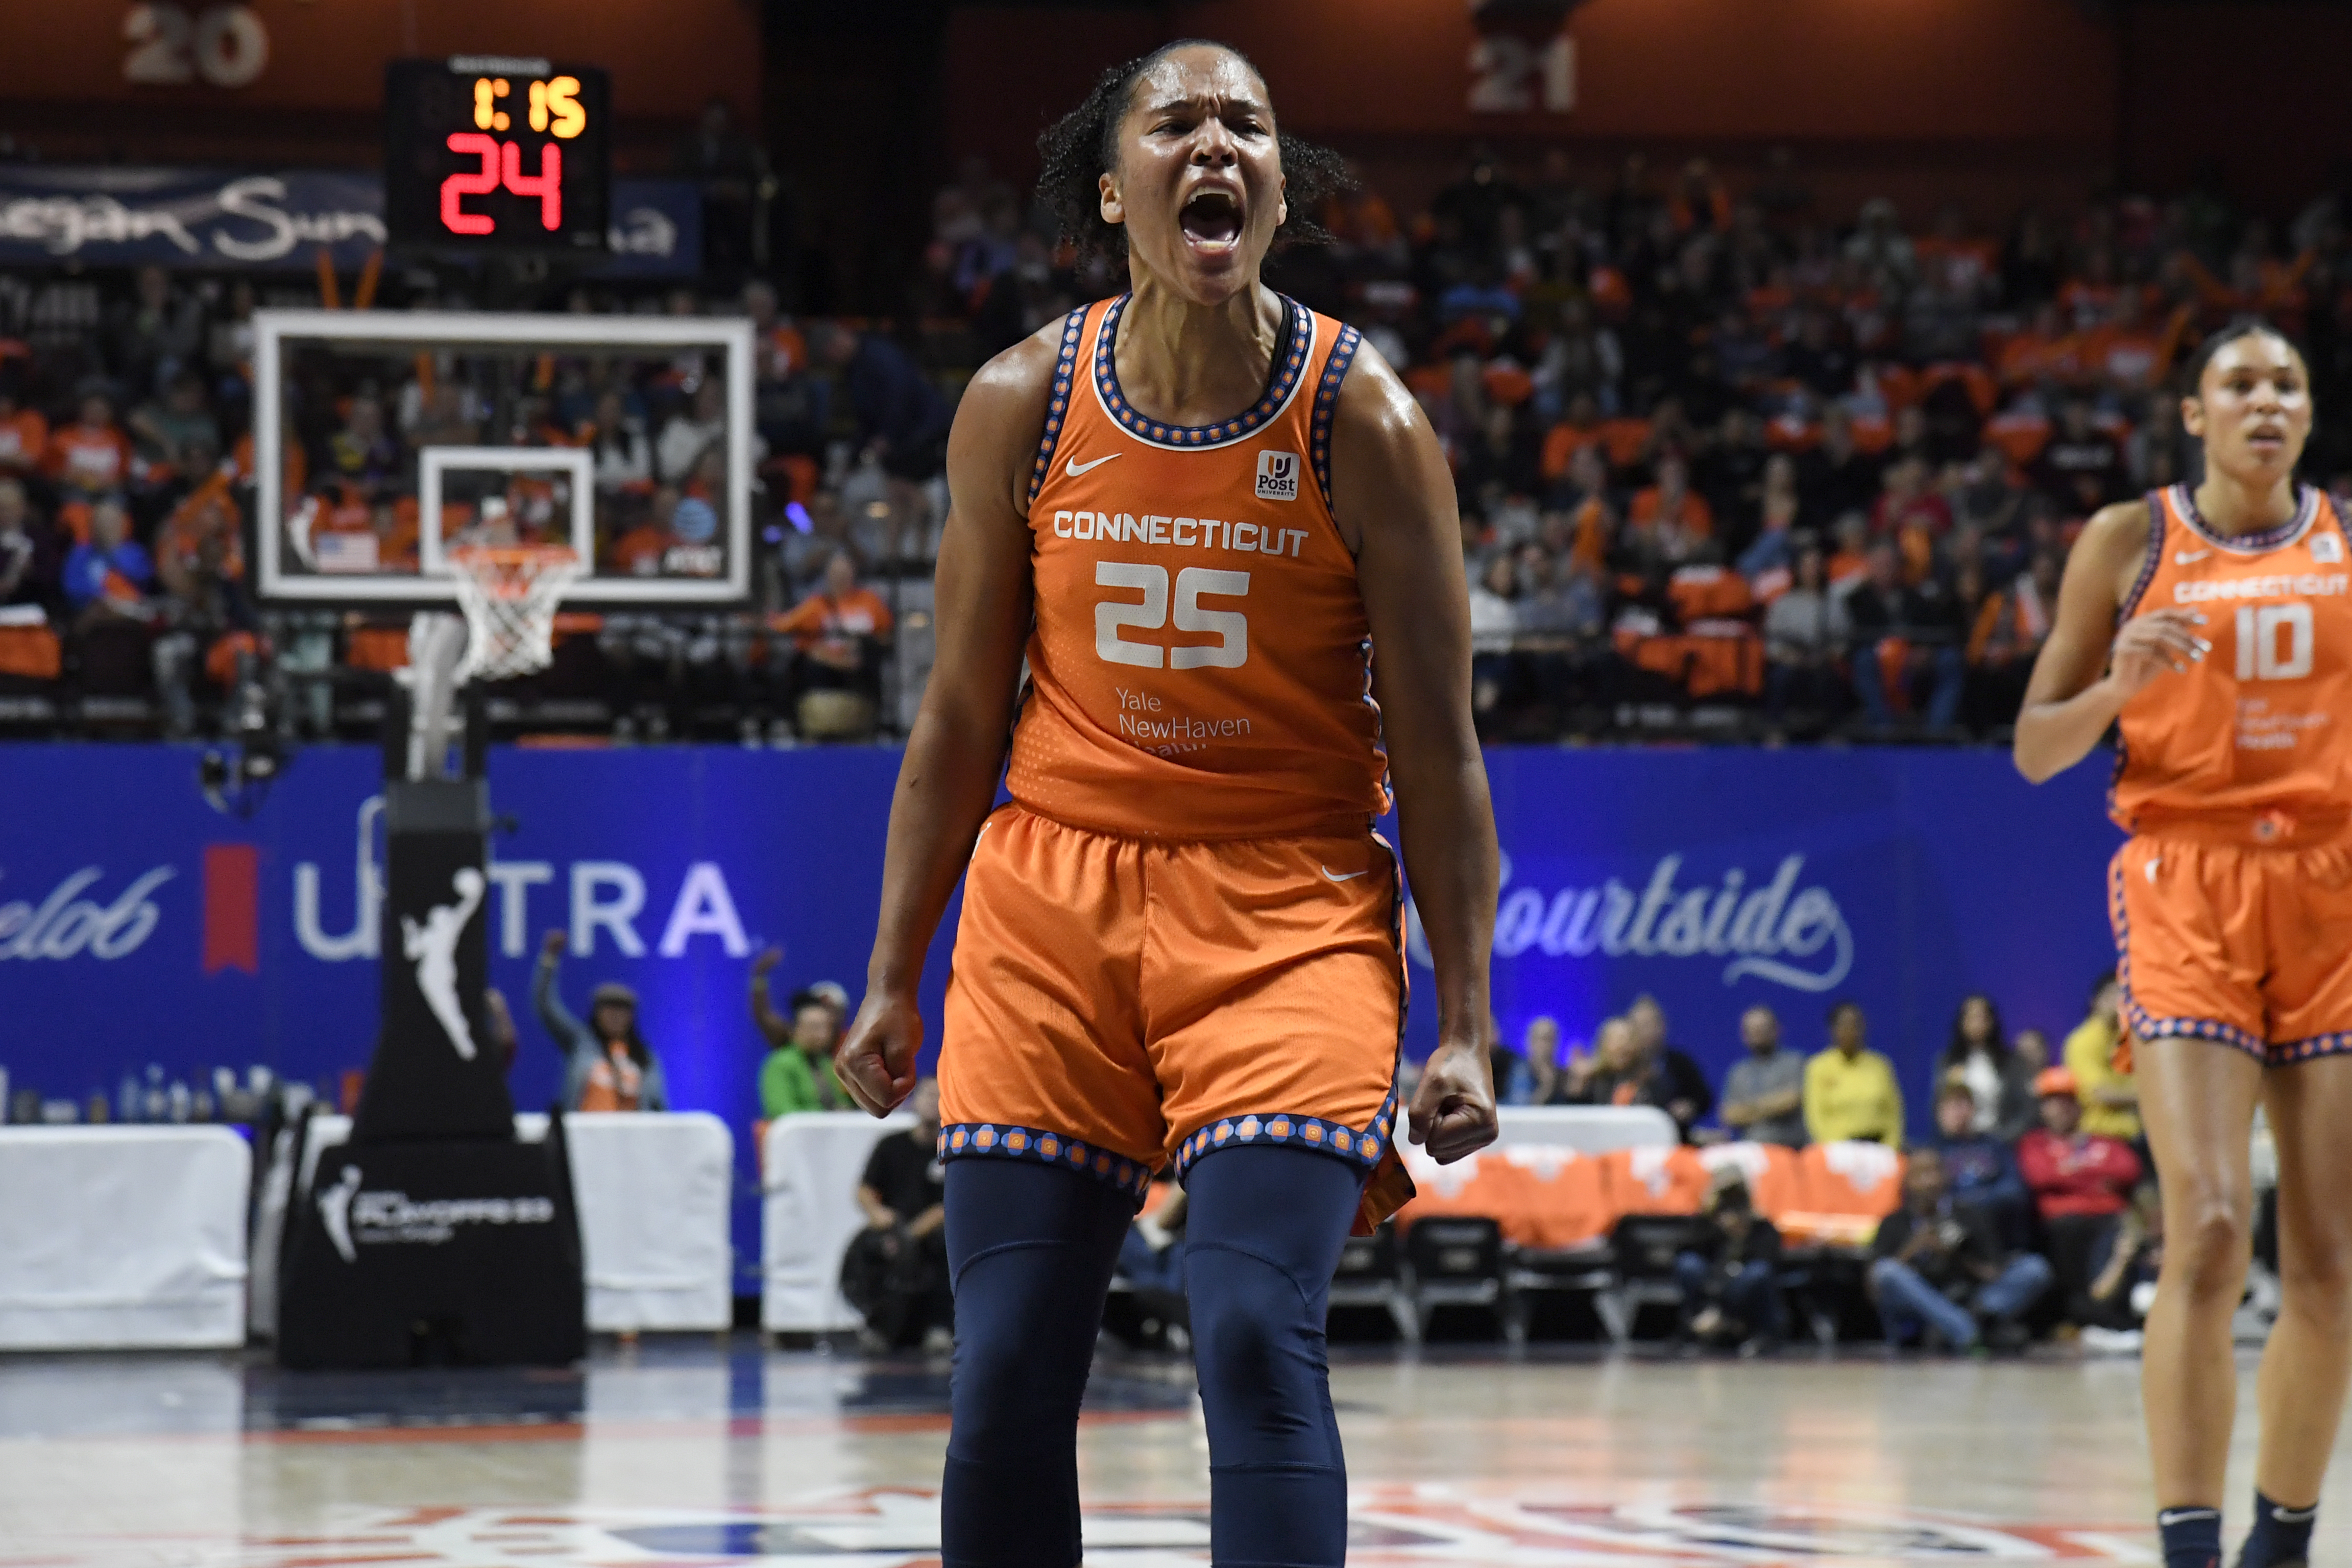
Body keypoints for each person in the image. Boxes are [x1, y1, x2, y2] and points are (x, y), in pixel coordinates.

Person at [832, 42, 1500, 1568]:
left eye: (1247, 126)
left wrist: (1462, 1019)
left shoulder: (1367, 419)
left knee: (1254, 1334)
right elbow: (953, 719)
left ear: (1276, 188)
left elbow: (1441, 748)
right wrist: (888, 969)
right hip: (1047, 906)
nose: (1215, 145)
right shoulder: (1019, 402)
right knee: (1003, 1375)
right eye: (1178, 123)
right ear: (1112, 189)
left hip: (1285, 908)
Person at [2013, 319, 2352, 1568]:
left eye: (2288, 384)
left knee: (2325, 1254)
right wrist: (2117, 681)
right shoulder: (2129, 538)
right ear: (2194, 416)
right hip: (2185, 879)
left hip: (2332, 883)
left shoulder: (2347, 536)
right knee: (2207, 1223)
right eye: (2239, 383)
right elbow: (2036, 747)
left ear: (2307, 415)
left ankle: (2286, 1536)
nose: (2267, 400)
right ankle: (2190, 1544)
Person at [1866, 1147, 2053, 1353]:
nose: (1930, 1181)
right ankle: (1968, 1332)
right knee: (1887, 1270)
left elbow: (1994, 1273)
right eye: (1922, 1175)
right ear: (1908, 1182)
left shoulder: (1968, 1214)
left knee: (2035, 1268)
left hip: (1969, 1298)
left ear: (1946, 1177)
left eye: (1936, 1172)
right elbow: (1875, 1285)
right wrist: (1915, 1248)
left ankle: (1958, 1328)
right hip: (1919, 1306)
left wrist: (1958, 1255)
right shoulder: (1893, 1222)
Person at [2016, 1066, 2144, 1330]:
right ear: (2042, 1107)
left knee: (2127, 1231)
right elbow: (2040, 1177)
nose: (2062, 1108)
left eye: (2068, 1100)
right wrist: (2097, 1180)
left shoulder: (2104, 1141)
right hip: (2063, 1226)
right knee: (2070, 1229)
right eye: (2053, 1101)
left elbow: (2129, 1170)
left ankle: (2107, 1312)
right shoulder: (2034, 1144)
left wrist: (2070, 1175)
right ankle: (2088, 1313)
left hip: (2110, 1220)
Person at [840, 1077, 953, 1353]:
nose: (932, 1102)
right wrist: (878, 1215)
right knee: (870, 1248)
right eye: (927, 1095)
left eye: (939, 1096)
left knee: (941, 1247)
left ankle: (939, 1326)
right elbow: (865, 1190)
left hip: (931, 1232)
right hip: (893, 1227)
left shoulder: (951, 1151)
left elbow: (948, 1204)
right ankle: (879, 1325)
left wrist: (912, 1234)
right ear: (914, 1101)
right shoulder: (891, 1146)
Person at [532, 930, 668, 1112]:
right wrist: (549, 960)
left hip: (632, 1137)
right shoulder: (581, 1044)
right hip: (585, 1136)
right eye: (609, 1010)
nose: (615, 1017)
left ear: (631, 1017)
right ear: (597, 1014)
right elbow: (546, 1006)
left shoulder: (645, 1058)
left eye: (622, 1012)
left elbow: (659, 1107)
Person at [1671, 1171, 1786, 1352]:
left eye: (1738, 1201)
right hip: (1711, 1284)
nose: (1733, 1210)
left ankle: (1722, 1321)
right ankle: (1702, 1327)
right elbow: (1683, 1248)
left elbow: (1770, 1260)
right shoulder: (1706, 1224)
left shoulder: (1761, 1227)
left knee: (1758, 1272)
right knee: (1688, 1264)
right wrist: (1715, 1223)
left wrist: (1743, 1235)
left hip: (1741, 1288)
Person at [1927, 1077, 2032, 1247]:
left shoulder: (1994, 1145)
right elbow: (1929, 1197)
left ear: (1974, 1109)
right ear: (1939, 1112)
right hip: (1953, 1231)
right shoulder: (1931, 1151)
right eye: (1952, 1106)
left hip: (1995, 1221)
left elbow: (2013, 1187)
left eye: (1963, 1104)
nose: (1959, 1112)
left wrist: (1980, 1201)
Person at [753, 948, 846, 1116]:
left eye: (826, 1027)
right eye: (814, 1027)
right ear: (796, 1029)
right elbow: (782, 1112)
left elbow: (842, 1104)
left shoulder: (828, 1063)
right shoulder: (780, 1064)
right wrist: (759, 977)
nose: (822, 1034)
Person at [1803, 999, 1904, 1146]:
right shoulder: (1819, 1067)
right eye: (1844, 1026)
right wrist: (1836, 1150)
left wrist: (1891, 1147)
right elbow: (1816, 1117)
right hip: (1839, 1149)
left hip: (1879, 1147)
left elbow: (1894, 1113)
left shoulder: (1880, 1065)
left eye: (1855, 1026)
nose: (1850, 1032)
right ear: (1833, 1030)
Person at [1938, 993, 2037, 1141]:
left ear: (1992, 1021)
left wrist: (2005, 1138)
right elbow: (1939, 1106)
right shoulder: (1948, 1062)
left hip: (2001, 1142)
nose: (1978, 1023)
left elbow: (2026, 1110)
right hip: (1958, 1143)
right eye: (1972, 1017)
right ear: (1961, 1022)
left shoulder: (2011, 1063)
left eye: (1983, 1018)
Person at [2063, 969, 2142, 1143]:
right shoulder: (2083, 1040)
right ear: (2095, 1001)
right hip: (2103, 1136)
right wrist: (2148, 1096)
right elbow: (2102, 1094)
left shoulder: (2131, 1037)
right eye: (2113, 993)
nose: (2119, 1000)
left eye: (2125, 993)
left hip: (2139, 1132)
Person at [1624, 994, 1713, 1140]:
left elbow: (1704, 1097)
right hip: (1628, 1141)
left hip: (1675, 1140)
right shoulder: (1623, 1065)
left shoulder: (1680, 1063)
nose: (1645, 1032)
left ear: (1662, 1027)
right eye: (1639, 1026)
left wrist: (1691, 1106)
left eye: (1649, 1025)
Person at [1718, 1004, 1807, 1147]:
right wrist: (1771, 1105)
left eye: (1762, 1029)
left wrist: (1748, 1110)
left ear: (1776, 1030)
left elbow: (1790, 1101)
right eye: (1752, 1030)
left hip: (1789, 1148)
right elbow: (1729, 1115)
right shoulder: (1738, 1072)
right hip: (1750, 1150)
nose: (1757, 1034)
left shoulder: (1795, 1062)